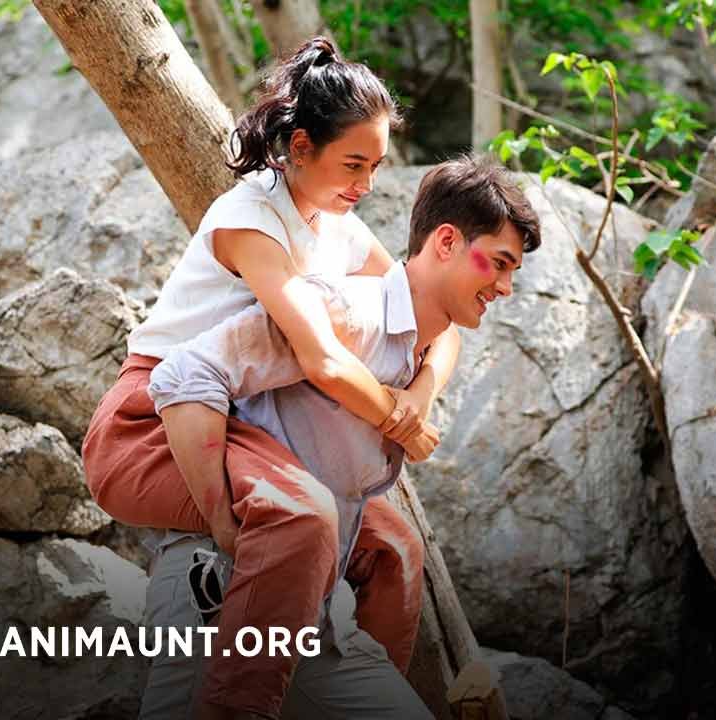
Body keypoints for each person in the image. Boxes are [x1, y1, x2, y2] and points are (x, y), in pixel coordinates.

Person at [81, 36, 460, 717]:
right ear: (302, 147)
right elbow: (320, 358)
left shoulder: (339, 227)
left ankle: (348, 687)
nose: (366, 185)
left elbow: (436, 319)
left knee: (395, 547)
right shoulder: (250, 219)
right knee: (301, 515)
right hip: (155, 421)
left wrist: (419, 396)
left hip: (248, 428)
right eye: (353, 164)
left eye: (376, 166)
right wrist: (393, 417)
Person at [140, 157, 542, 719]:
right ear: (447, 242)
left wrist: (420, 393)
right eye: (498, 264)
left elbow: (441, 339)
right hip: (217, 592)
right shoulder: (345, 312)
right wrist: (224, 526)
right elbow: (184, 374)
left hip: (314, 616)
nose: (504, 287)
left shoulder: (415, 346)